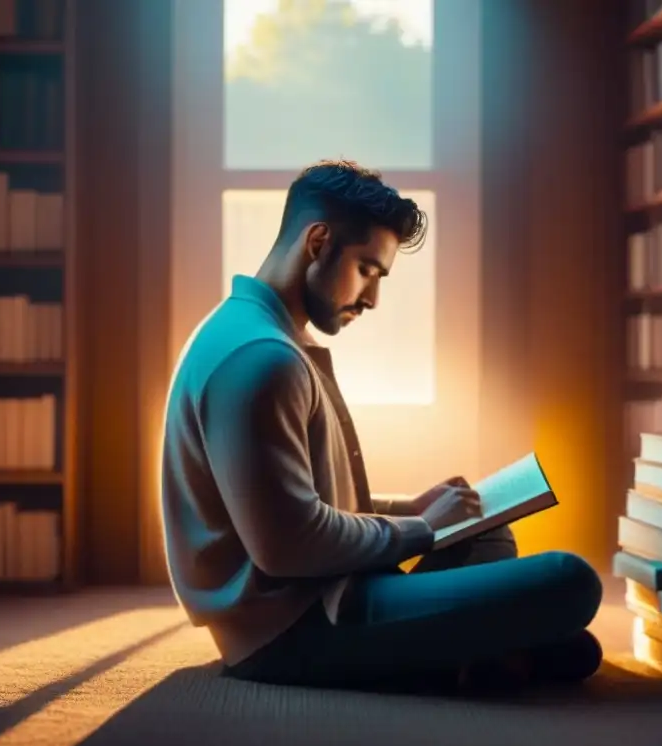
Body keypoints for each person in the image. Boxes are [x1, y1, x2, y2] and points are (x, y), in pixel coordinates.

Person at [161, 159, 604, 692]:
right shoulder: (260, 359)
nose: (372, 299)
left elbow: (297, 502)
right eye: (368, 270)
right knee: (569, 581)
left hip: (325, 592)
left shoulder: (256, 334)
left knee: (487, 529)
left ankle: (470, 656)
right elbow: (286, 547)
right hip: (294, 629)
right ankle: (462, 658)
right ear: (318, 242)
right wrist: (423, 529)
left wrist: (411, 509)